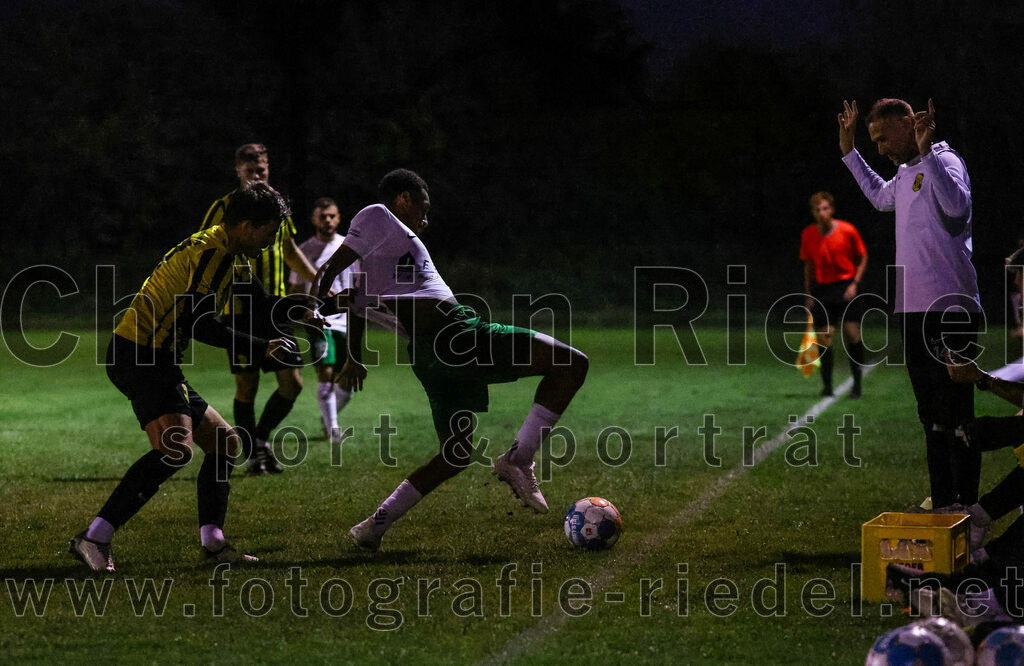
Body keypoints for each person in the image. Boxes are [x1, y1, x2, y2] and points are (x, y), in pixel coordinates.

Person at [314, 169, 589, 551]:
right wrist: (319, 295)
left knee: (455, 454)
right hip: (458, 335)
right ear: (403, 200)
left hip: (428, 357)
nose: (425, 220)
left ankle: (373, 527)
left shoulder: (380, 256)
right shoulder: (379, 214)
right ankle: (519, 459)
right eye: (423, 208)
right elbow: (331, 270)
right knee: (572, 363)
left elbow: (356, 302)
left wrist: (352, 357)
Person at [68, 183, 297, 571]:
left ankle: (214, 545)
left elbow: (261, 303)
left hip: (154, 357)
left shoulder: (226, 250)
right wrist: (262, 348)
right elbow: (200, 324)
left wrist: (310, 309)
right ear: (247, 225)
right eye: (269, 232)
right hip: (140, 355)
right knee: (176, 449)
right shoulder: (214, 256)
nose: (271, 241)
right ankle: (94, 538)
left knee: (225, 442)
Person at [838, 97, 982, 509]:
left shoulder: (944, 160)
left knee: (957, 414)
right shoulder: (904, 174)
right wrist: (850, 152)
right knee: (930, 416)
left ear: (907, 123)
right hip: (913, 310)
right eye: (874, 142)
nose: (881, 148)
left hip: (950, 308)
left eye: (883, 138)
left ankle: (967, 510)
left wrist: (926, 152)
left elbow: (957, 206)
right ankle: (944, 505)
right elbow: (878, 196)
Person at [199, 143, 318, 475]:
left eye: (261, 169)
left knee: (292, 383)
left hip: (275, 307)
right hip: (240, 309)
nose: (256, 175)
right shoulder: (224, 207)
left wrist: (318, 280)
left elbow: (289, 249)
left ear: (268, 168)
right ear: (238, 171)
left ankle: (260, 439)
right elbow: (206, 246)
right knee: (247, 385)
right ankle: (253, 455)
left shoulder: (278, 204)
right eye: (249, 170)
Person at [289, 197, 358, 444]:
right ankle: (333, 429)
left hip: (347, 320)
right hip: (319, 319)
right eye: (323, 216)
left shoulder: (350, 247)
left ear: (338, 218)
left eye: (331, 216)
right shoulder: (304, 251)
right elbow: (295, 289)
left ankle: (328, 418)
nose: (327, 221)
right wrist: (303, 309)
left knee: (348, 382)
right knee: (325, 373)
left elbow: (359, 283)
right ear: (314, 219)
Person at [800, 190, 868, 397]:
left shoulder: (847, 230)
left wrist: (854, 283)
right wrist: (808, 294)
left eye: (825, 208)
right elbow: (808, 266)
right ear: (813, 212)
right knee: (825, 338)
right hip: (823, 290)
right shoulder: (809, 234)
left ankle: (857, 385)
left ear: (831, 209)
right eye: (817, 209)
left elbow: (862, 256)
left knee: (852, 335)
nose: (822, 213)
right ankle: (827, 387)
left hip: (845, 287)